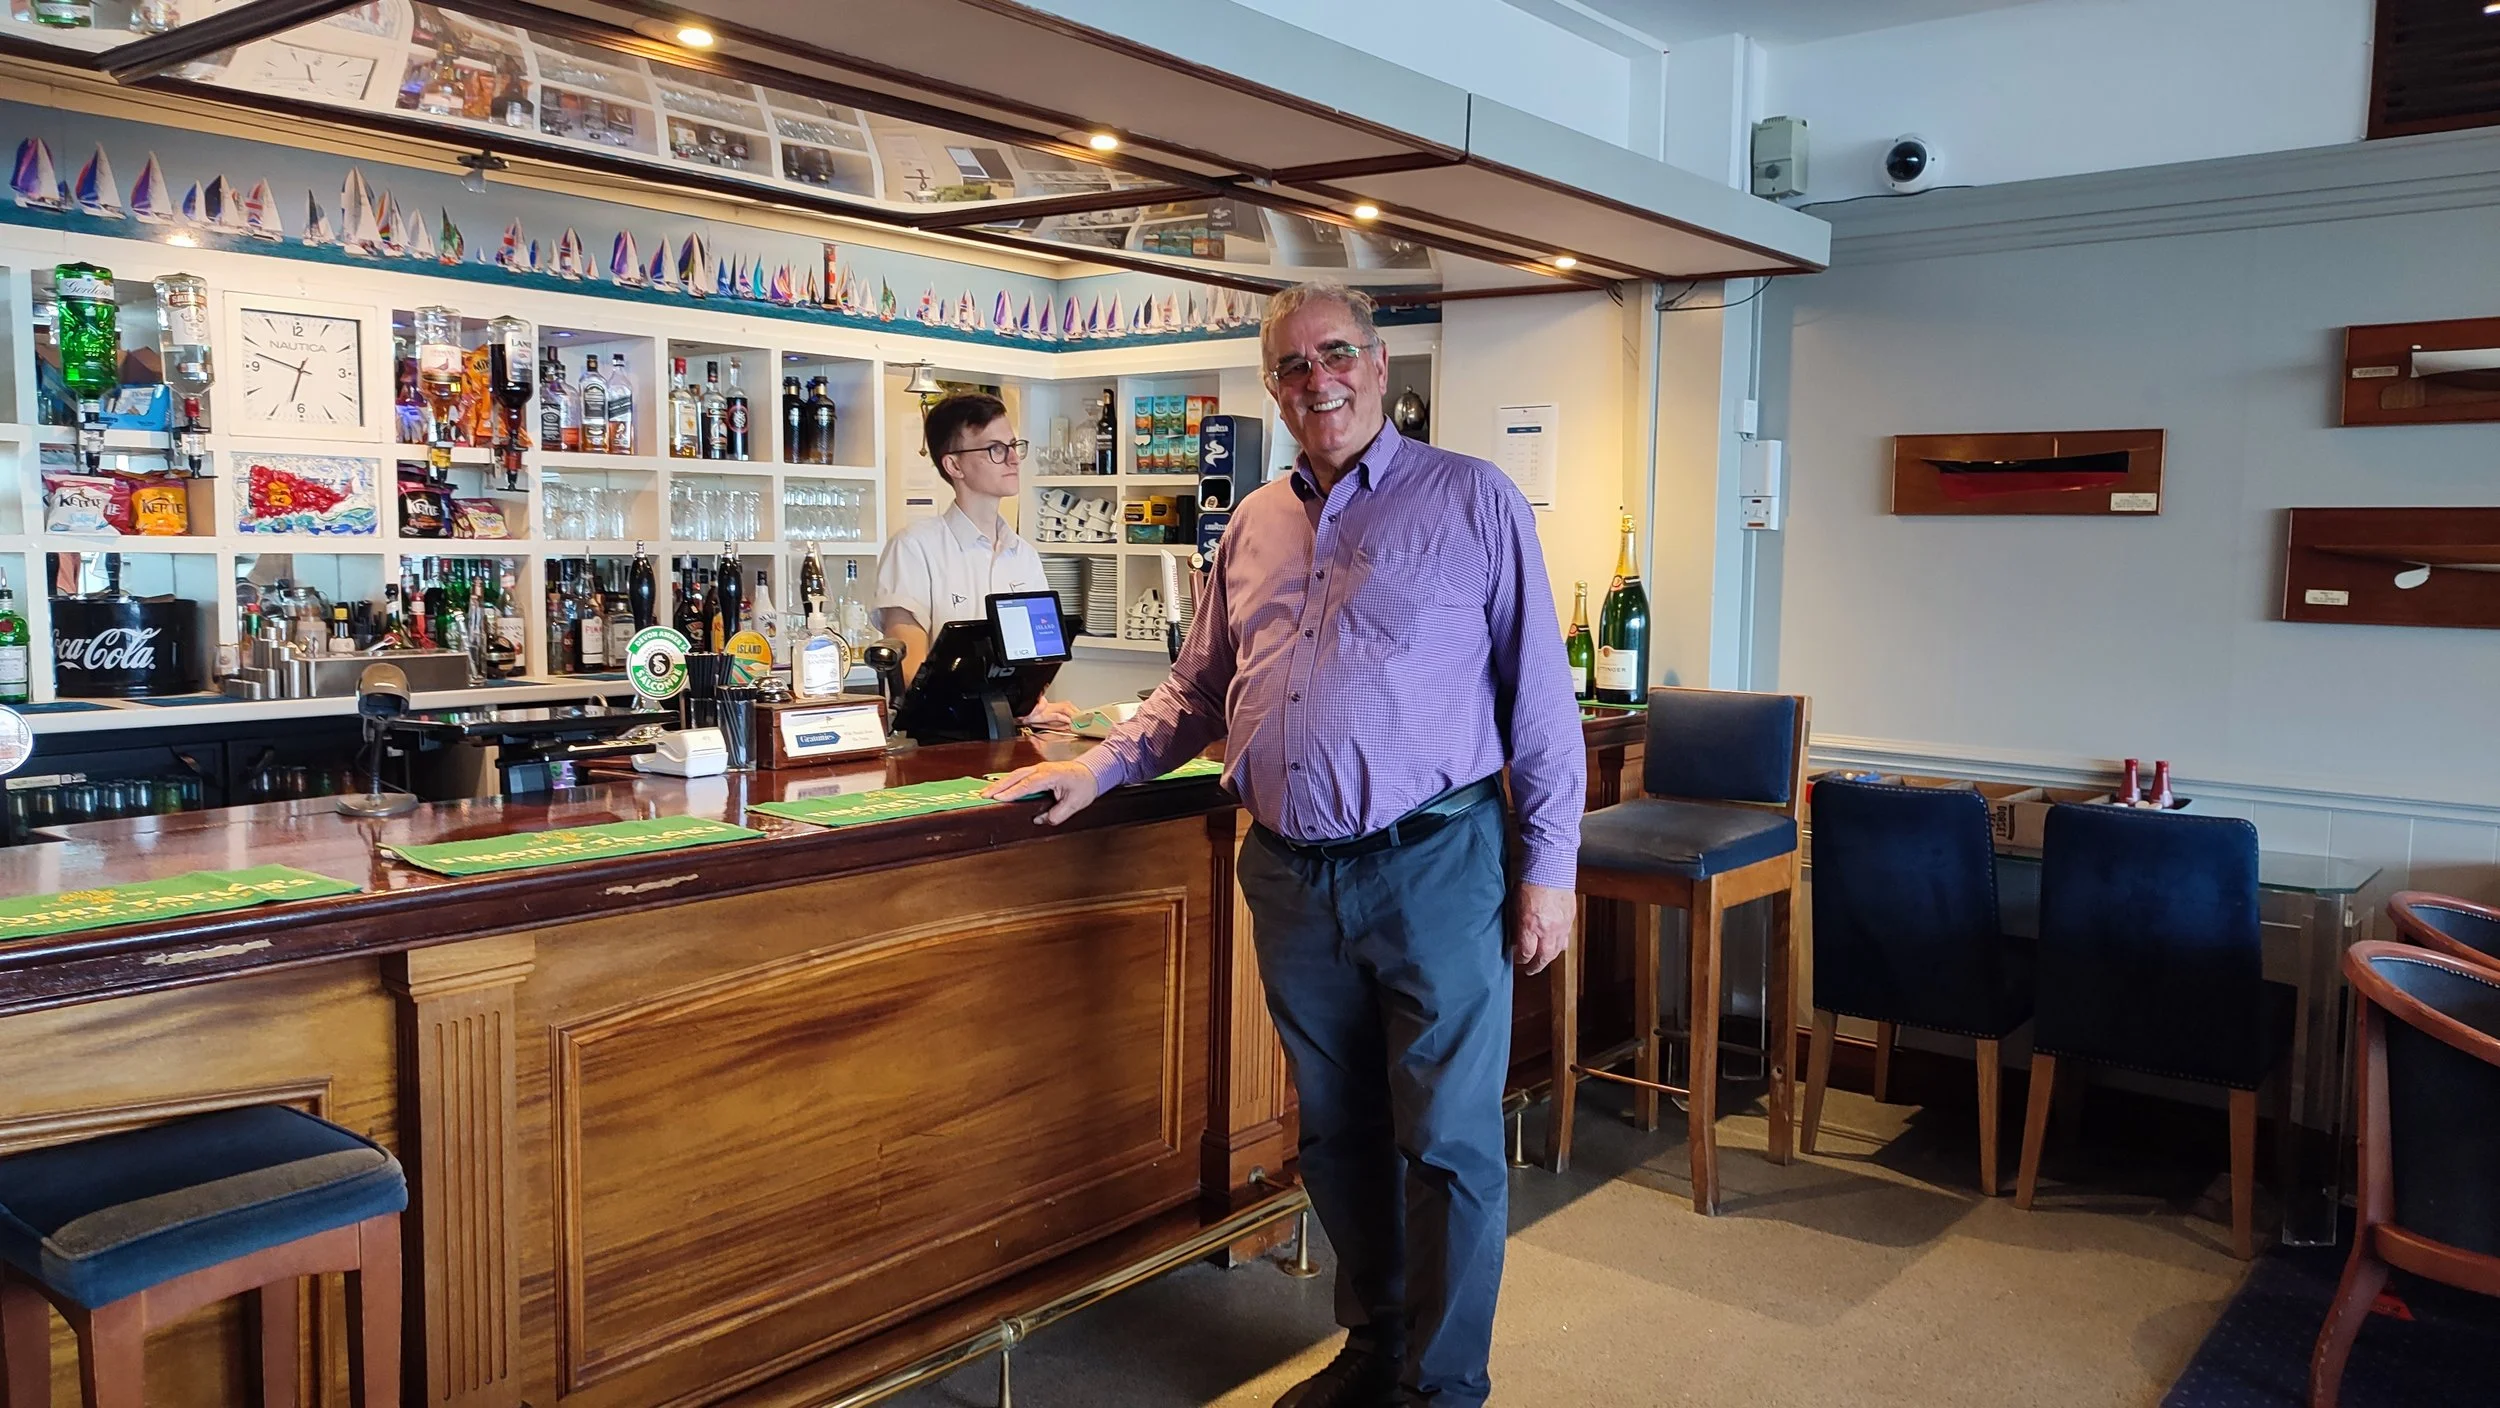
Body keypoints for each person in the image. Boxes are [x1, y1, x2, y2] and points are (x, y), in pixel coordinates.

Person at [985, 282, 1584, 1407]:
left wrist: (1547, 868)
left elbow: (1539, 704)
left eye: (1336, 355)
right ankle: (1375, 1345)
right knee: (1339, 1131)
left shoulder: (1473, 499)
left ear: (1379, 361)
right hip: (1293, 877)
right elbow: (1197, 689)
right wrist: (1099, 764)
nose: (1319, 381)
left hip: (1436, 865)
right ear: (1272, 384)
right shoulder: (1253, 521)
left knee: (1448, 1142)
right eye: (1294, 366)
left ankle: (1441, 1387)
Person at [874, 390, 1076, 726]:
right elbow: (912, 678)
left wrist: (1033, 709)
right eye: (995, 449)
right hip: (937, 745)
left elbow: (1036, 668)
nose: (1012, 459)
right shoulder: (913, 548)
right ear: (954, 464)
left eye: (1014, 446)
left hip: (1013, 735)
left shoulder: (1023, 555)